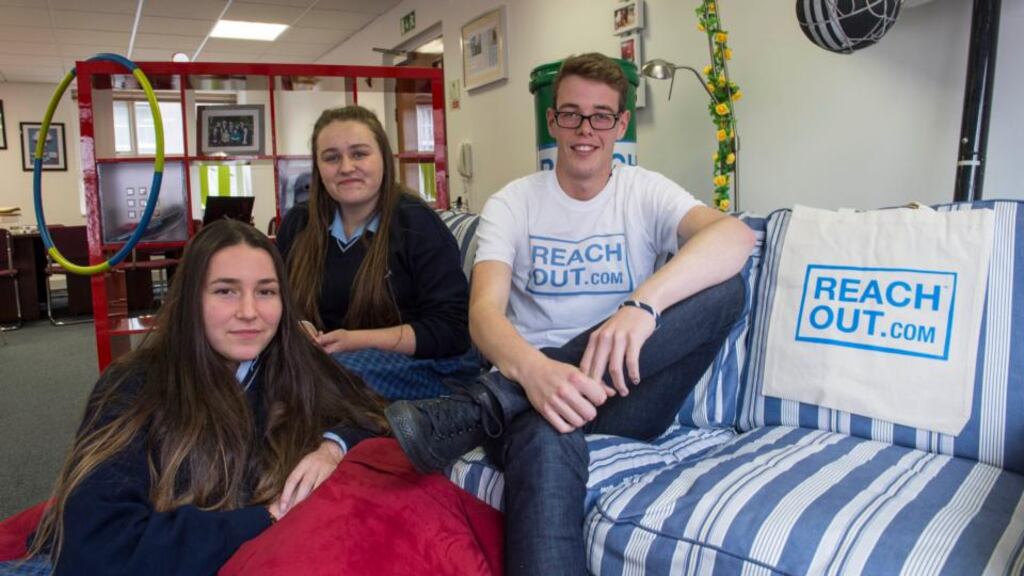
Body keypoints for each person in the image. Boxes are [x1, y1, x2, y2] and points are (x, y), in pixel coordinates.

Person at [386, 53, 756, 575]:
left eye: (602, 115)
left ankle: (483, 408)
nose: (586, 130)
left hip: (628, 393)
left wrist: (641, 306)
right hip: (534, 391)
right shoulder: (513, 202)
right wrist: (536, 374)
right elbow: (484, 315)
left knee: (727, 290)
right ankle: (509, 400)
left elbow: (735, 237)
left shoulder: (644, 190)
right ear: (553, 121)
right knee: (543, 431)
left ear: (621, 123)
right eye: (572, 114)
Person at [1, 220, 388, 575]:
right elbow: (98, 548)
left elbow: (378, 418)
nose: (250, 312)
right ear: (191, 299)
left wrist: (332, 447)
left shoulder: (295, 362)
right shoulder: (134, 385)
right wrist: (266, 519)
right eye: (225, 291)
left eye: (266, 291)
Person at [277, 106, 475, 401]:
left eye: (359, 154)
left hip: (423, 367)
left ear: (383, 157)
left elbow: (452, 330)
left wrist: (355, 341)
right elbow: (277, 300)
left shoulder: (417, 224)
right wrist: (298, 327)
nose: (346, 167)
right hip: (328, 363)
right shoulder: (298, 223)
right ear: (318, 167)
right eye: (331, 158)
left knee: (318, 377)